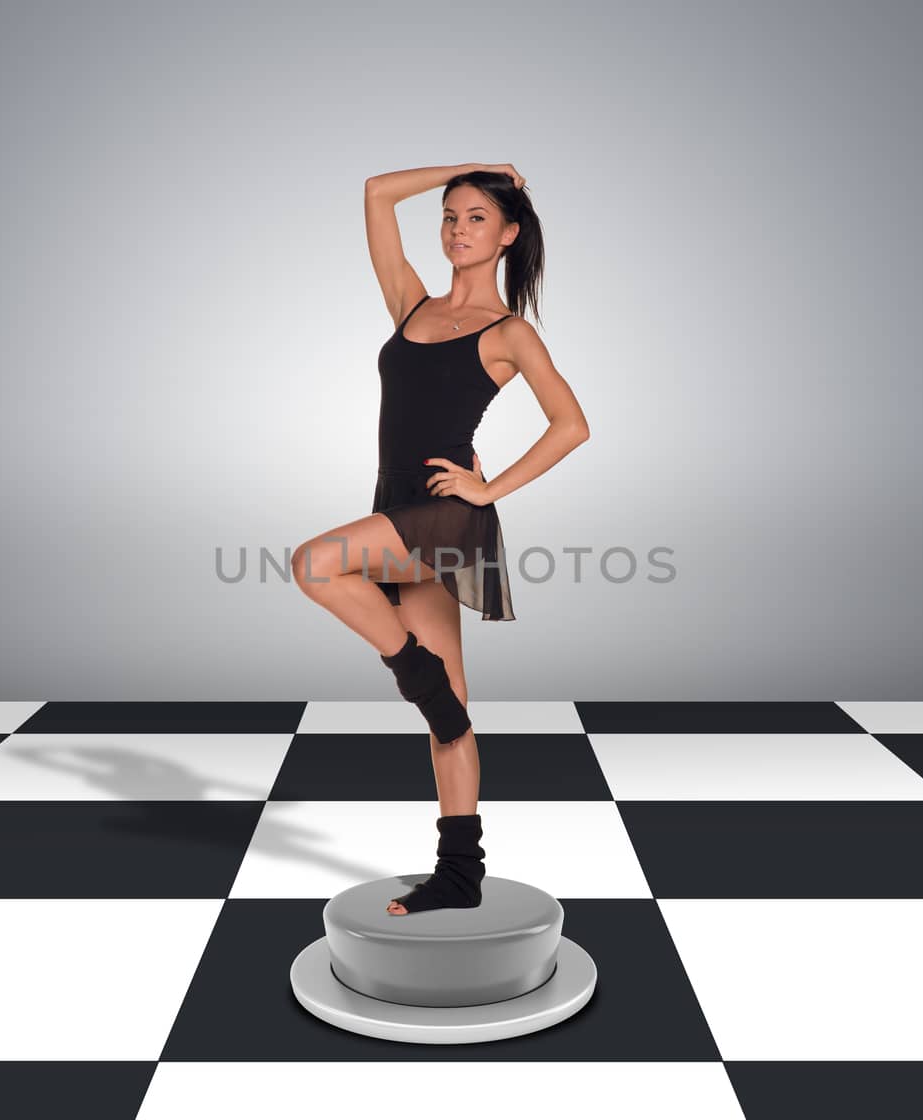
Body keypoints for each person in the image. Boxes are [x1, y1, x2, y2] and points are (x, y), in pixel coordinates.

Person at [291, 163, 590, 915]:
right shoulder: (411, 303)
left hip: (445, 514)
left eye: (477, 218)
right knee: (449, 714)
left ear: (509, 234)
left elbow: (572, 424)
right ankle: (460, 874)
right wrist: (477, 160)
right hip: (393, 506)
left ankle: (410, 671)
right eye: (451, 216)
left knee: (315, 564)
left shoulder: (508, 332)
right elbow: (374, 192)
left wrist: (488, 487)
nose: (458, 229)